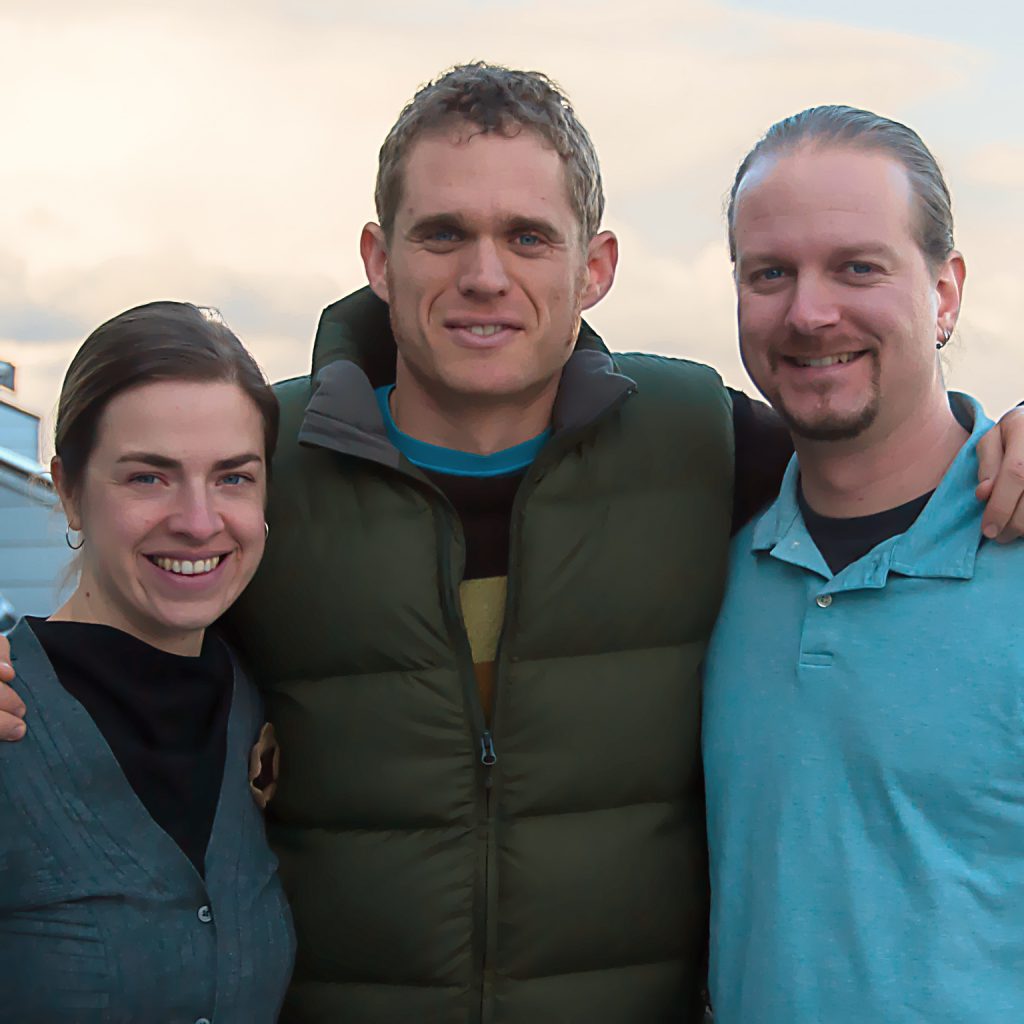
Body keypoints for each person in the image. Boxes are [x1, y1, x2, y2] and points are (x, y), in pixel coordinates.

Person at [0, 67, 1022, 1024]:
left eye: (528, 237)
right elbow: (128, 615)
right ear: (376, 258)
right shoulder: (268, 463)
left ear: (596, 267)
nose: (484, 275)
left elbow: (880, 457)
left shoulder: (700, 444)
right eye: (442, 234)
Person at [702, 106, 1024, 1023]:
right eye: (771, 273)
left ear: (946, 291)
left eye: (857, 267)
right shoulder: (713, 565)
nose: (810, 312)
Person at [0, 302, 295, 1021]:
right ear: (68, 490)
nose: (198, 521)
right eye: (148, 478)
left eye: (233, 477)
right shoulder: (11, 719)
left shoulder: (266, 699)